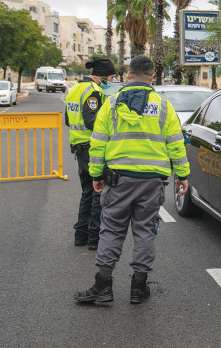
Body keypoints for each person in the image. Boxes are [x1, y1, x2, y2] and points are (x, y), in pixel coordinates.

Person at [74, 55, 189, 305]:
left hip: (118, 180)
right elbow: (176, 144)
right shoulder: (164, 106)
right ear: (152, 77)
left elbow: (98, 142)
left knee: (112, 230)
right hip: (152, 182)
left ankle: (103, 286)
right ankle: (138, 287)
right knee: (145, 232)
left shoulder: (111, 104)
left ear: (128, 75)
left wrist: (96, 175)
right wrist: (182, 175)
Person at [64, 56, 116, 251]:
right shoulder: (93, 91)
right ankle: (94, 238)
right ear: (103, 75)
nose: (111, 81)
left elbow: (68, 120)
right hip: (92, 147)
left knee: (87, 191)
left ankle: (81, 235)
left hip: (79, 147)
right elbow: (91, 121)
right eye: (111, 77)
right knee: (97, 192)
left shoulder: (75, 88)